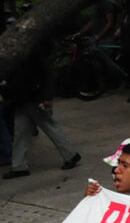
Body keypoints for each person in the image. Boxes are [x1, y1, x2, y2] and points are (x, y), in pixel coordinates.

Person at [3, 39, 81, 180]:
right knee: (23, 131)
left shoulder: (33, 55)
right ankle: (19, 165)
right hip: (24, 98)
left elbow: (46, 76)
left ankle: (70, 155)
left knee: (46, 127)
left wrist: (47, 97)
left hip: (32, 97)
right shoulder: (28, 54)